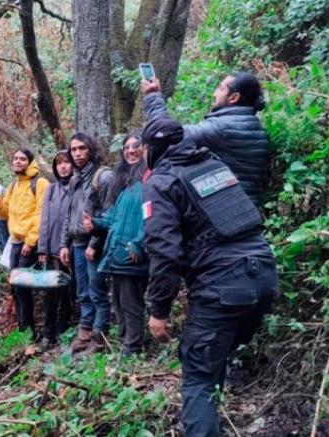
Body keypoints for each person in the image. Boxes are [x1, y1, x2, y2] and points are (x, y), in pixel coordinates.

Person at [141, 116, 278, 436]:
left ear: (151, 150)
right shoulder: (214, 164)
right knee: (213, 358)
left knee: (198, 375)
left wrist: (158, 310)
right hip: (264, 276)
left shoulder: (161, 181)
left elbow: (164, 253)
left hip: (223, 284)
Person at [141, 72, 269, 206]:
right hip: (244, 209)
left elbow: (166, 134)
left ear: (234, 97)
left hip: (224, 211)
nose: (214, 93)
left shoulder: (223, 127)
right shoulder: (253, 125)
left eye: (220, 89)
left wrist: (153, 97)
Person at [83, 132, 149, 355]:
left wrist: (139, 244)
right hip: (116, 253)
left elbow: (153, 218)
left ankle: (133, 347)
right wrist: (95, 223)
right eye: (127, 147)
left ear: (145, 149)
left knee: (131, 303)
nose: (131, 151)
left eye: (136, 146)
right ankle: (124, 342)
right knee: (119, 303)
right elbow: (114, 219)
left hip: (132, 254)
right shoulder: (125, 184)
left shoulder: (149, 180)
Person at [59, 133, 116, 354]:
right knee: (83, 291)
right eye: (73, 150)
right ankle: (84, 331)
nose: (78, 154)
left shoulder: (104, 177)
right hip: (77, 244)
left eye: (82, 148)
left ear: (91, 149)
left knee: (97, 292)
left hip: (95, 246)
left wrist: (94, 243)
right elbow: (69, 214)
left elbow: (108, 215)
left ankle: (99, 336)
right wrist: (64, 244)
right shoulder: (76, 178)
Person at [0, 148, 50, 335]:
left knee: (23, 287)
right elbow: (4, 213)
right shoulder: (14, 185)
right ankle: (24, 327)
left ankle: (30, 331)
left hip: (30, 245)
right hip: (15, 243)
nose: (17, 161)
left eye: (22, 159)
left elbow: (41, 214)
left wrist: (31, 242)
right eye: (15, 158)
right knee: (16, 288)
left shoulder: (40, 183)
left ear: (30, 162)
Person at [37, 150, 75, 351]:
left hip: (69, 249)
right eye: (59, 163)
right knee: (50, 294)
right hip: (51, 250)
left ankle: (62, 331)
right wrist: (42, 249)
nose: (63, 166)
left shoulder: (77, 187)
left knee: (68, 292)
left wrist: (67, 245)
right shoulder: (51, 190)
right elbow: (44, 221)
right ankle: (47, 334)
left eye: (67, 162)